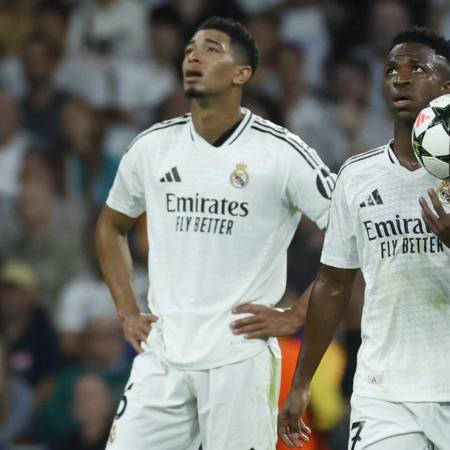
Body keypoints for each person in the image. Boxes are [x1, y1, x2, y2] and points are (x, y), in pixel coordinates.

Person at [279, 27, 450, 450]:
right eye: (391, 69)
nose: (400, 77)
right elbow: (333, 284)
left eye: (417, 68)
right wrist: (301, 383)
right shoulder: (356, 176)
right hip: (384, 392)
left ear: (447, 89)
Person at [95, 17, 335, 450]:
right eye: (190, 49)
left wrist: (297, 314)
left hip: (238, 359)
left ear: (242, 73)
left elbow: (350, 235)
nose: (194, 56)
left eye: (210, 49)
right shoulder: (151, 147)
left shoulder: (282, 153)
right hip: (162, 354)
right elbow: (111, 225)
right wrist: (127, 309)